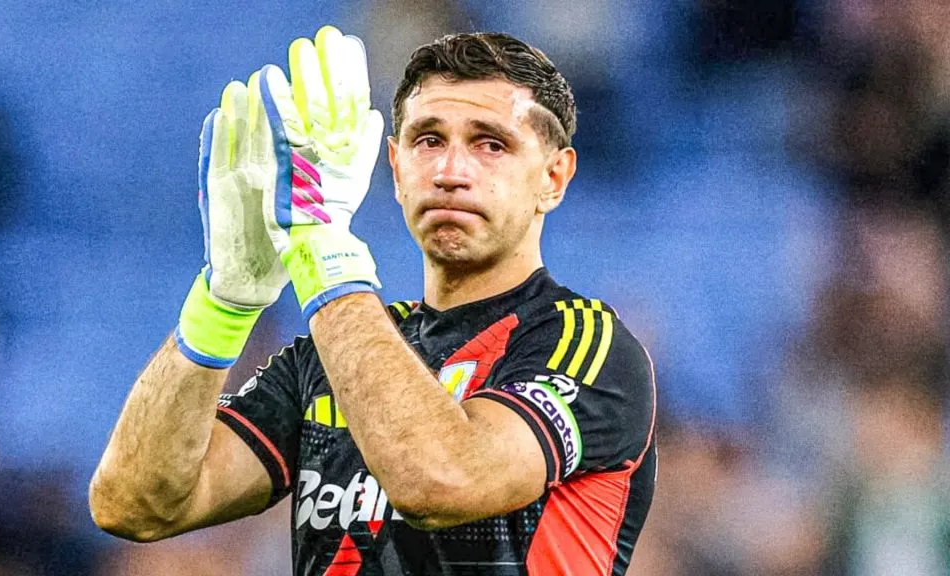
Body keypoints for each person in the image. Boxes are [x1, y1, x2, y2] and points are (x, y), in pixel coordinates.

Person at [90, 26, 657, 576]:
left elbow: (442, 480)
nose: (450, 172)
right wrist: (224, 302)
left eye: (491, 144)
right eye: (428, 140)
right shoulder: (329, 355)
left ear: (554, 178)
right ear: (394, 165)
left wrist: (325, 250)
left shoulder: (586, 343)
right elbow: (135, 505)